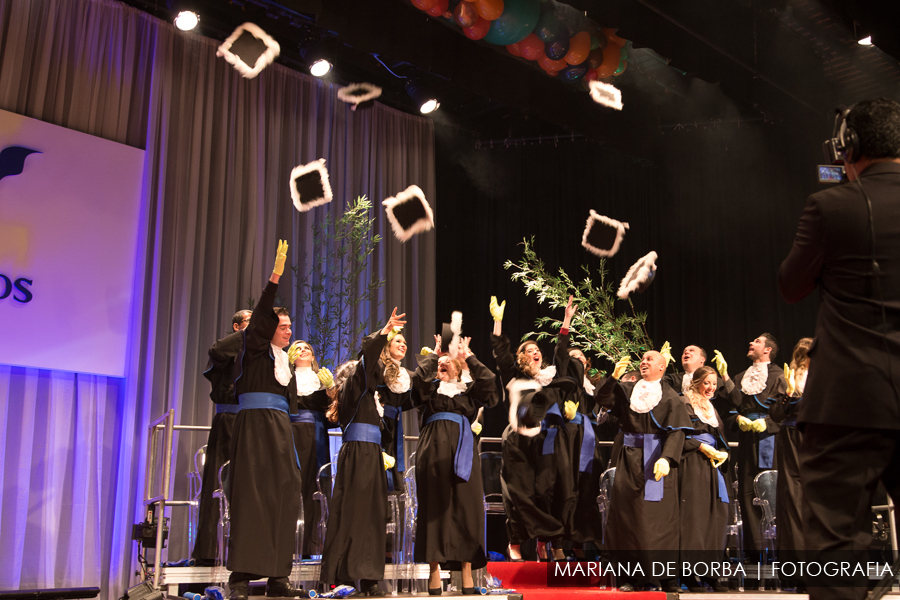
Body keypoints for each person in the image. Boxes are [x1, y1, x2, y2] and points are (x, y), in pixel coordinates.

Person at [779, 97, 900, 600]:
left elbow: (791, 285)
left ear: (845, 147)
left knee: (834, 550)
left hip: (848, 402)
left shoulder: (828, 205)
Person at [227, 241, 303, 600]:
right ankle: (240, 578)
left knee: (284, 497)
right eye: (283, 326)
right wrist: (274, 277)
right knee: (252, 496)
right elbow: (259, 319)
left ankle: (278, 577)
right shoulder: (254, 349)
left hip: (279, 430)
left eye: (289, 326)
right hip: (254, 428)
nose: (288, 331)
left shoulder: (284, 361)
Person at [318, 308, 406, 597]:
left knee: (373, 516)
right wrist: (384, 332)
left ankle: (369, 578)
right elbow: (368, 358)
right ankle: (350, 576)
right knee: (356, 515)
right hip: (357, 456)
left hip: (370, 455)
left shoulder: (369, 395)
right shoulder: (355, 389)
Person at [593, 351, 692, 592]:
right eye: (643, 359)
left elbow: (677, 431)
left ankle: (666, 578)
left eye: (650, 359)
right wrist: (613, 377)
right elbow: (603, 398)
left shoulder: (669, 396)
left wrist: (668, 458)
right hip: (629, 460)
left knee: (660, 520)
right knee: (628, 517)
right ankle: (631, 576)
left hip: (656, 461)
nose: (644, 362)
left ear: (662, 366)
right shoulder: (629, 391)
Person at [413, 335, 499, 595]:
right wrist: (433, 356)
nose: (443, 363)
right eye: (440, 361)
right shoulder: (429, 391)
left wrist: (468, 356)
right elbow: (416, 384)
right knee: (434, 508)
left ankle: (466, 573)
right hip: (432, 451)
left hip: (463, 450)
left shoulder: (468, 391)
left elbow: (490, 383)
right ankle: (434, 572)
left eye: (447, 361)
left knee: (466, 508)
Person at [490, 297, 566, 562]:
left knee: (546, 491)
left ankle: (548, 540)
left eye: (537, 349)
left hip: (545, 440)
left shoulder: (549, 379)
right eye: (529, 349)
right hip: (516, 441)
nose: (536, 351)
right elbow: (501, 352)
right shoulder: (514, 376)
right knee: (517, 494)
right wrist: (498, 322)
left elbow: (563, 354)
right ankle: (515, 542)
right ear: (522, 356)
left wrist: (566, 322)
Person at [192, 310, 251, 567]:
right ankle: (211, 551)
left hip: (254, 424)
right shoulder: (227, 350)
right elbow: (216, 353)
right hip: (229, 422)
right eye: (251, 323)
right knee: (222, 484)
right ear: (238, 327)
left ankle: (248, 550)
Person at [720, 333, 786, 559]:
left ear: (768, 349)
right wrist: (737, 420)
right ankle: (755, 552)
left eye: (757, 342)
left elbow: (787, 410)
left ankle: (780, 553)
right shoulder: (740, 377)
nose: (751, 343)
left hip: (772, 440)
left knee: (772, 490)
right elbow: (730, 407)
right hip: (748, 440)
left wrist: (766, 422)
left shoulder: (780, 375)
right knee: (747, 492)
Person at [678, 366, 730, 593]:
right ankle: (689, 574)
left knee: (715, 517)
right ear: (696, 381)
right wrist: (700, 447)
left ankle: (711, 572)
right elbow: (677, 435)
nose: (710, 388)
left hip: (712, 466)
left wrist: (722, 451)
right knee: (694, 519)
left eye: (714, 385)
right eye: (707, 383)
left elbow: (719, 436)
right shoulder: (683, 402)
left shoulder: (711, 407)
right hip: (692, 463)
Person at [769, 337, 811, 590]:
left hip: (818, 440)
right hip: (793, 439)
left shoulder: (825, 375)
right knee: (793, 500)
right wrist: (787, 395)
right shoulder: (787, 378)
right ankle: (797, 570)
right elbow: (775, 415)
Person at [286, 340, 333, 556]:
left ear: (313, 357)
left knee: (315, 487)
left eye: (307, 348)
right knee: (291, 485)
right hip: (290, 433)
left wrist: (332, 390)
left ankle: (312, 545)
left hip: (316, 435)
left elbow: (332, 416)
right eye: (298, 348)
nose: (303, 351)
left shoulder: (320, 382)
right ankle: (287, 545)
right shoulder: (284, 379)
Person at [376, 328, 416, 492]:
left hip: (394, 427)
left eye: (405, 342)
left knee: (395, 471)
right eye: (398, 341)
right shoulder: (379, 367)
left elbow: (416, 398)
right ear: (387, 346)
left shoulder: (407, 375)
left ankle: (394, 514)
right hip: (378, 424)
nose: (403, 345)